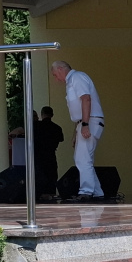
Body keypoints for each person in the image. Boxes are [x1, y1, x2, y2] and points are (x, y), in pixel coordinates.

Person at [50, 60, 106, 199]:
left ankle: (86, 191)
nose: (56, 79)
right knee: (82, 158)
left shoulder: (77, 77)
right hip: (85, 122)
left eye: (55, 75)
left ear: (61, 69)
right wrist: (77, 130)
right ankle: (97, 192)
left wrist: (85, 124)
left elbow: (86, 99)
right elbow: (78, 111)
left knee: (83, 158)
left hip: (90, 121)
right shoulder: (72, 81)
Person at [34, 105, 65, 199]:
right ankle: (51, 194)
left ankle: (40, 195)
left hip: (38, 155)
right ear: (52, 115)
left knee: (39, 174)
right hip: (51, 154)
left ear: (42, 114)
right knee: (52, 174)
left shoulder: (36, 125)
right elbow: (60, 139)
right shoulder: (57, 128)